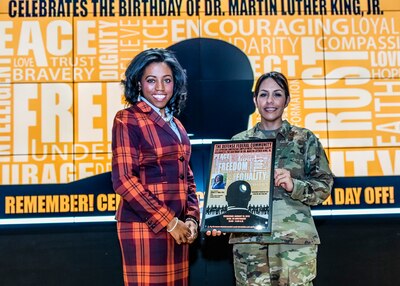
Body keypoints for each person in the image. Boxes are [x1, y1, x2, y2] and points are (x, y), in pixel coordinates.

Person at [206, 71, 334, 286]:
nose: (270, 101)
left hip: (294, 242)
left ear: (287, 100)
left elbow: (324, 186)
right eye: (264, 95)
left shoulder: (304, 139)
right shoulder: (238, 142)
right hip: (249, 244)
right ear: (255, 100)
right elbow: (221, 192)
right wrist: (216, 220)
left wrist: (295, 185)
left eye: (277, 94)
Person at [111, 48, 200, 286]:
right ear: (139, 83)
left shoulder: (177, 125)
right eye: (151, 80)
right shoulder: (127, 119)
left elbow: (187, 178)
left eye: (167, 80)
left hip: (179, 230)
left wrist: (191, 218)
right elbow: (124, 180)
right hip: (145, 228)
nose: (160, 87)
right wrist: (169, 222)